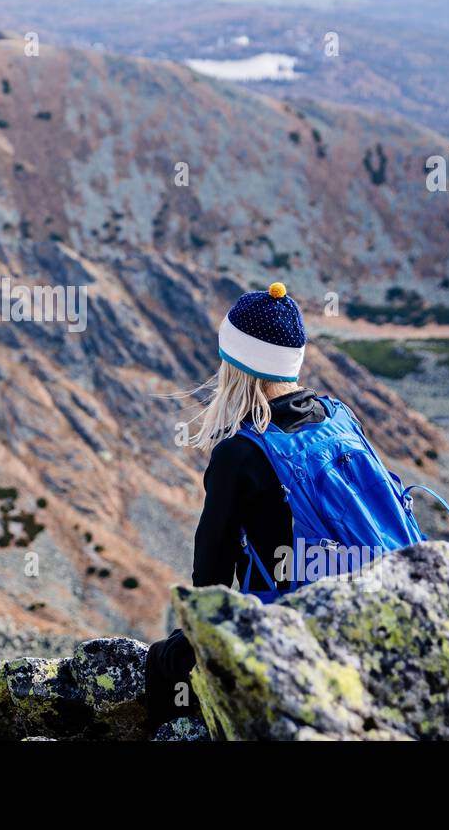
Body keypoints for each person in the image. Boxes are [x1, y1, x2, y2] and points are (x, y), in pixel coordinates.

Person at [146, 281, 328, 728]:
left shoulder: (240, 453)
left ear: (236, 365)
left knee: (160, 664)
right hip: (344, 612)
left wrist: (182, 649)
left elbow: (210, 580)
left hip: (281, 629)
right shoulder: (332, 417)